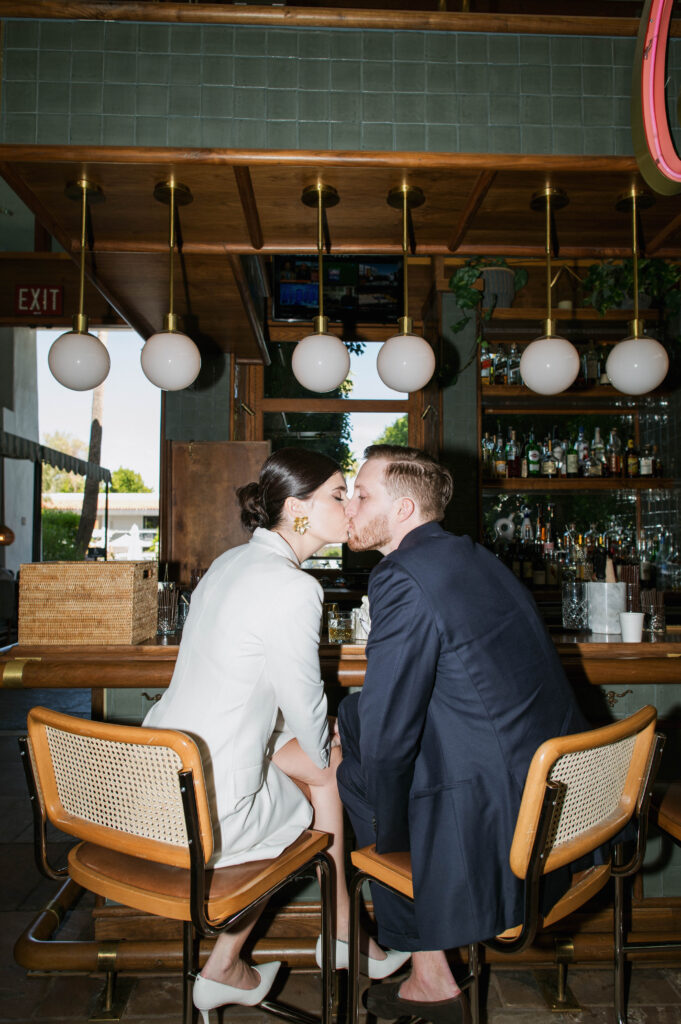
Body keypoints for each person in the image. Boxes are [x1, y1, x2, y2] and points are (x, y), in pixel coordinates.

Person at [143, 448, 406, 1024]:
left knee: (323, 768)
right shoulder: (293, 587)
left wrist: (315, 741)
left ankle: (250, 960)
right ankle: (340, 935)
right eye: (339, 494)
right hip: (210, 801)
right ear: (298, 510)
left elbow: (244, 682)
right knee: (329, 776)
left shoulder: (230, 562)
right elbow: (304, 698)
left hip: (161, 773)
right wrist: (324, 742)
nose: (351, 504)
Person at [337, 445, 593, 1024]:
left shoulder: (399, 574)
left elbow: (389, 730)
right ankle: (428, 969)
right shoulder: (473, 555)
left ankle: (421, 955)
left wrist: (360, 760)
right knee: (359, 734)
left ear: (403, 509)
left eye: (361, 494)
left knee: (353, 767)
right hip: (556, 788)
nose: (349, 506)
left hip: (497, 812)